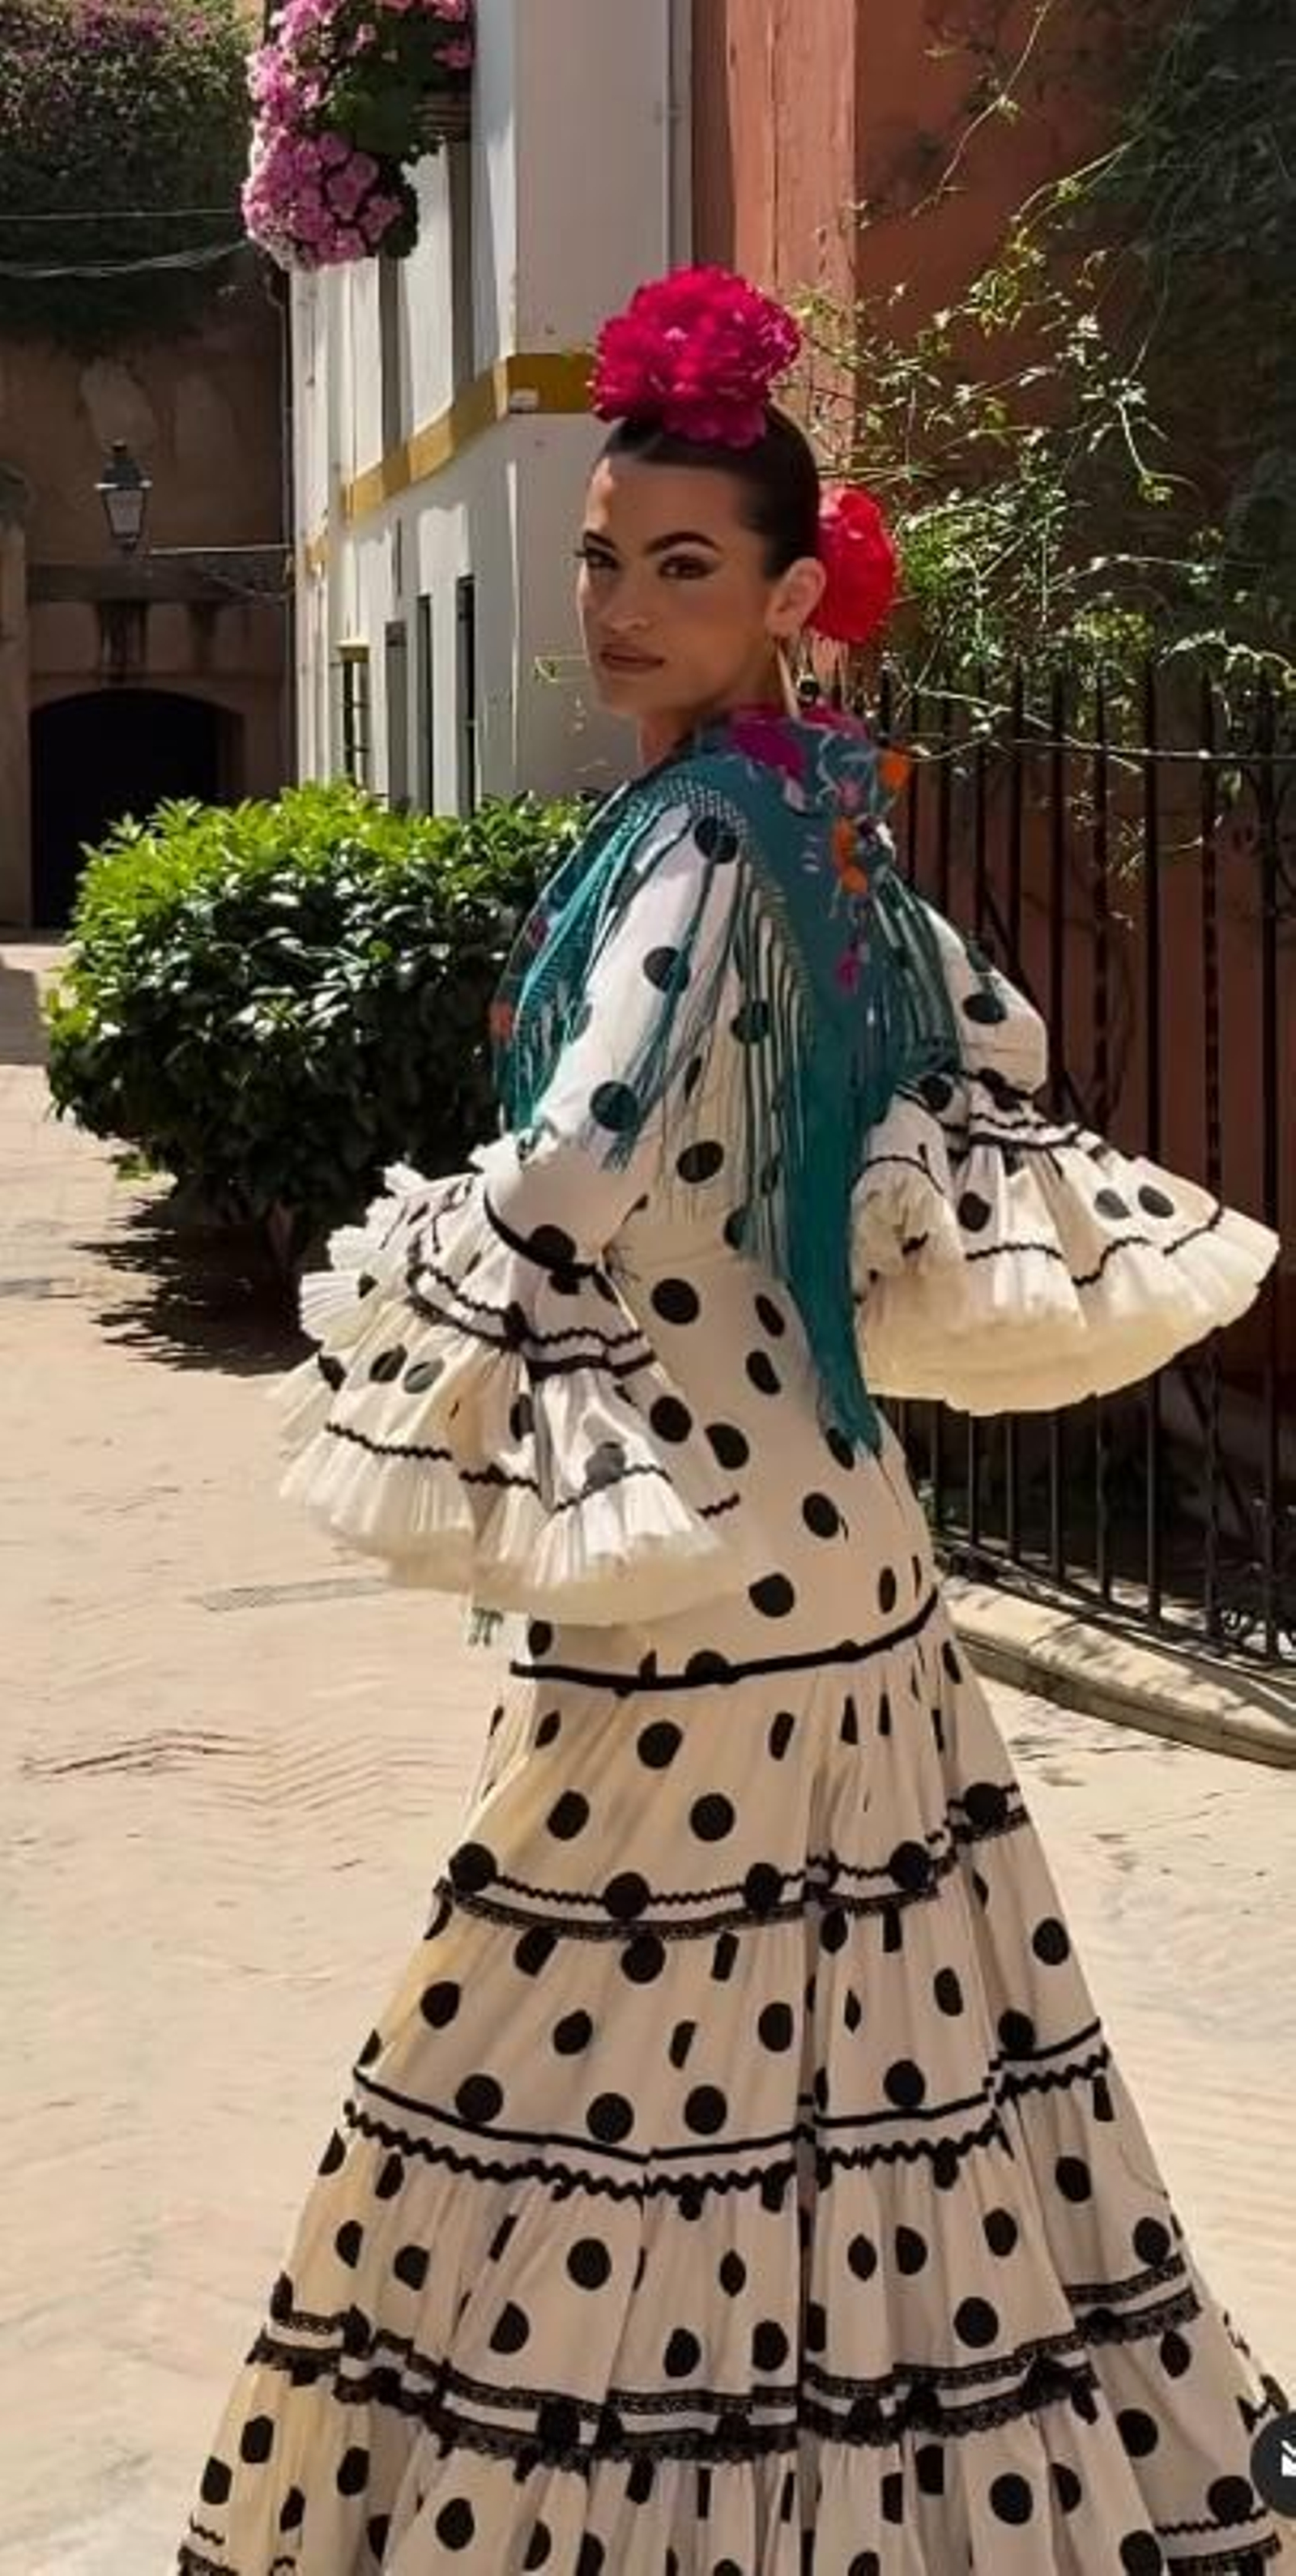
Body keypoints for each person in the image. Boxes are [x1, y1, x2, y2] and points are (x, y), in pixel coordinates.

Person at [177, 267, 1286, 2576]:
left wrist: (451, 1265)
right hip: (848, 1541)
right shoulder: (833, 822)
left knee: (575, 2048)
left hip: (693, 1562)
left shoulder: (695, 839)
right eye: (602, 556)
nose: (618, 604)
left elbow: (581, 1155)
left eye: (680, 566)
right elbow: (1001, 1051)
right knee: (886, 2040)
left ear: (791, 597)